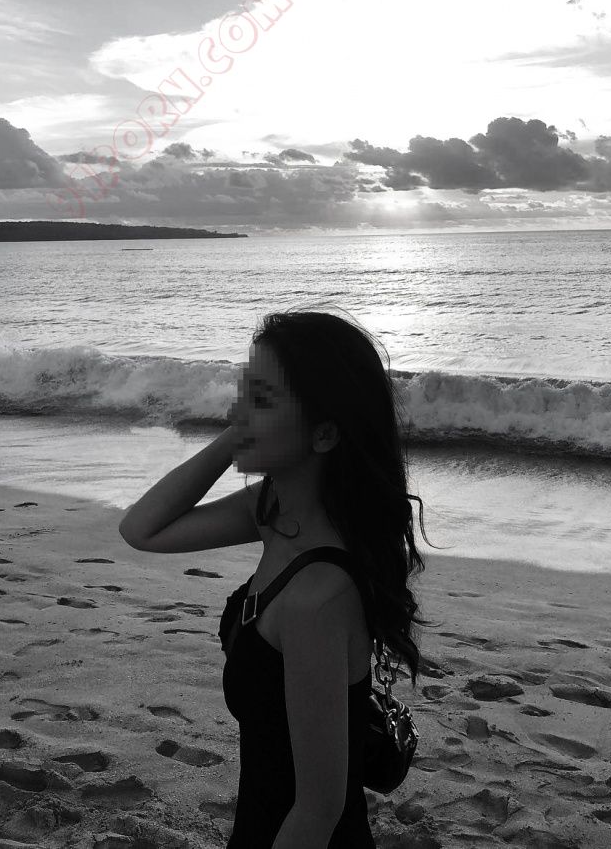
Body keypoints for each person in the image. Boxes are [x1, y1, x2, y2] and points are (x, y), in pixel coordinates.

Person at [118, 307, 434, 849]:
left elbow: (318, 810)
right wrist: (238, 435)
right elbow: (142, 529)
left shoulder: (318, 599)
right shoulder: (274, 513)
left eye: (262, 400)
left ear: (324, 434)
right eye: (243, 392)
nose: (237, 412)